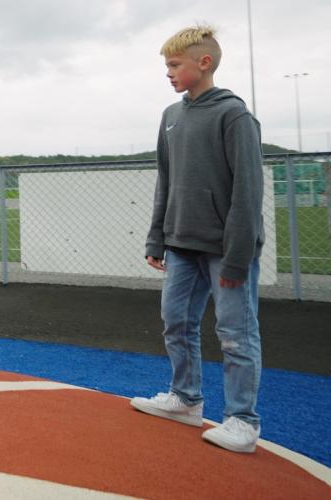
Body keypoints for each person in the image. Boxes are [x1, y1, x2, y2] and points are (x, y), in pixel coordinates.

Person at [131, 25, 265, 453]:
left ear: (203, 63)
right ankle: (186, 399)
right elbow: (165, 182)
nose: (167, 73)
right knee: (176, 322)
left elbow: (248, 192)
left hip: (226, 251)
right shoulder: (170, 117)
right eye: (166, 65)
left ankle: (242, 420)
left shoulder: (234, 115)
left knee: (235, 335)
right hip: (181, 246)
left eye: (174, 65)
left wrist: (238, 259)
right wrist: (157, 238)